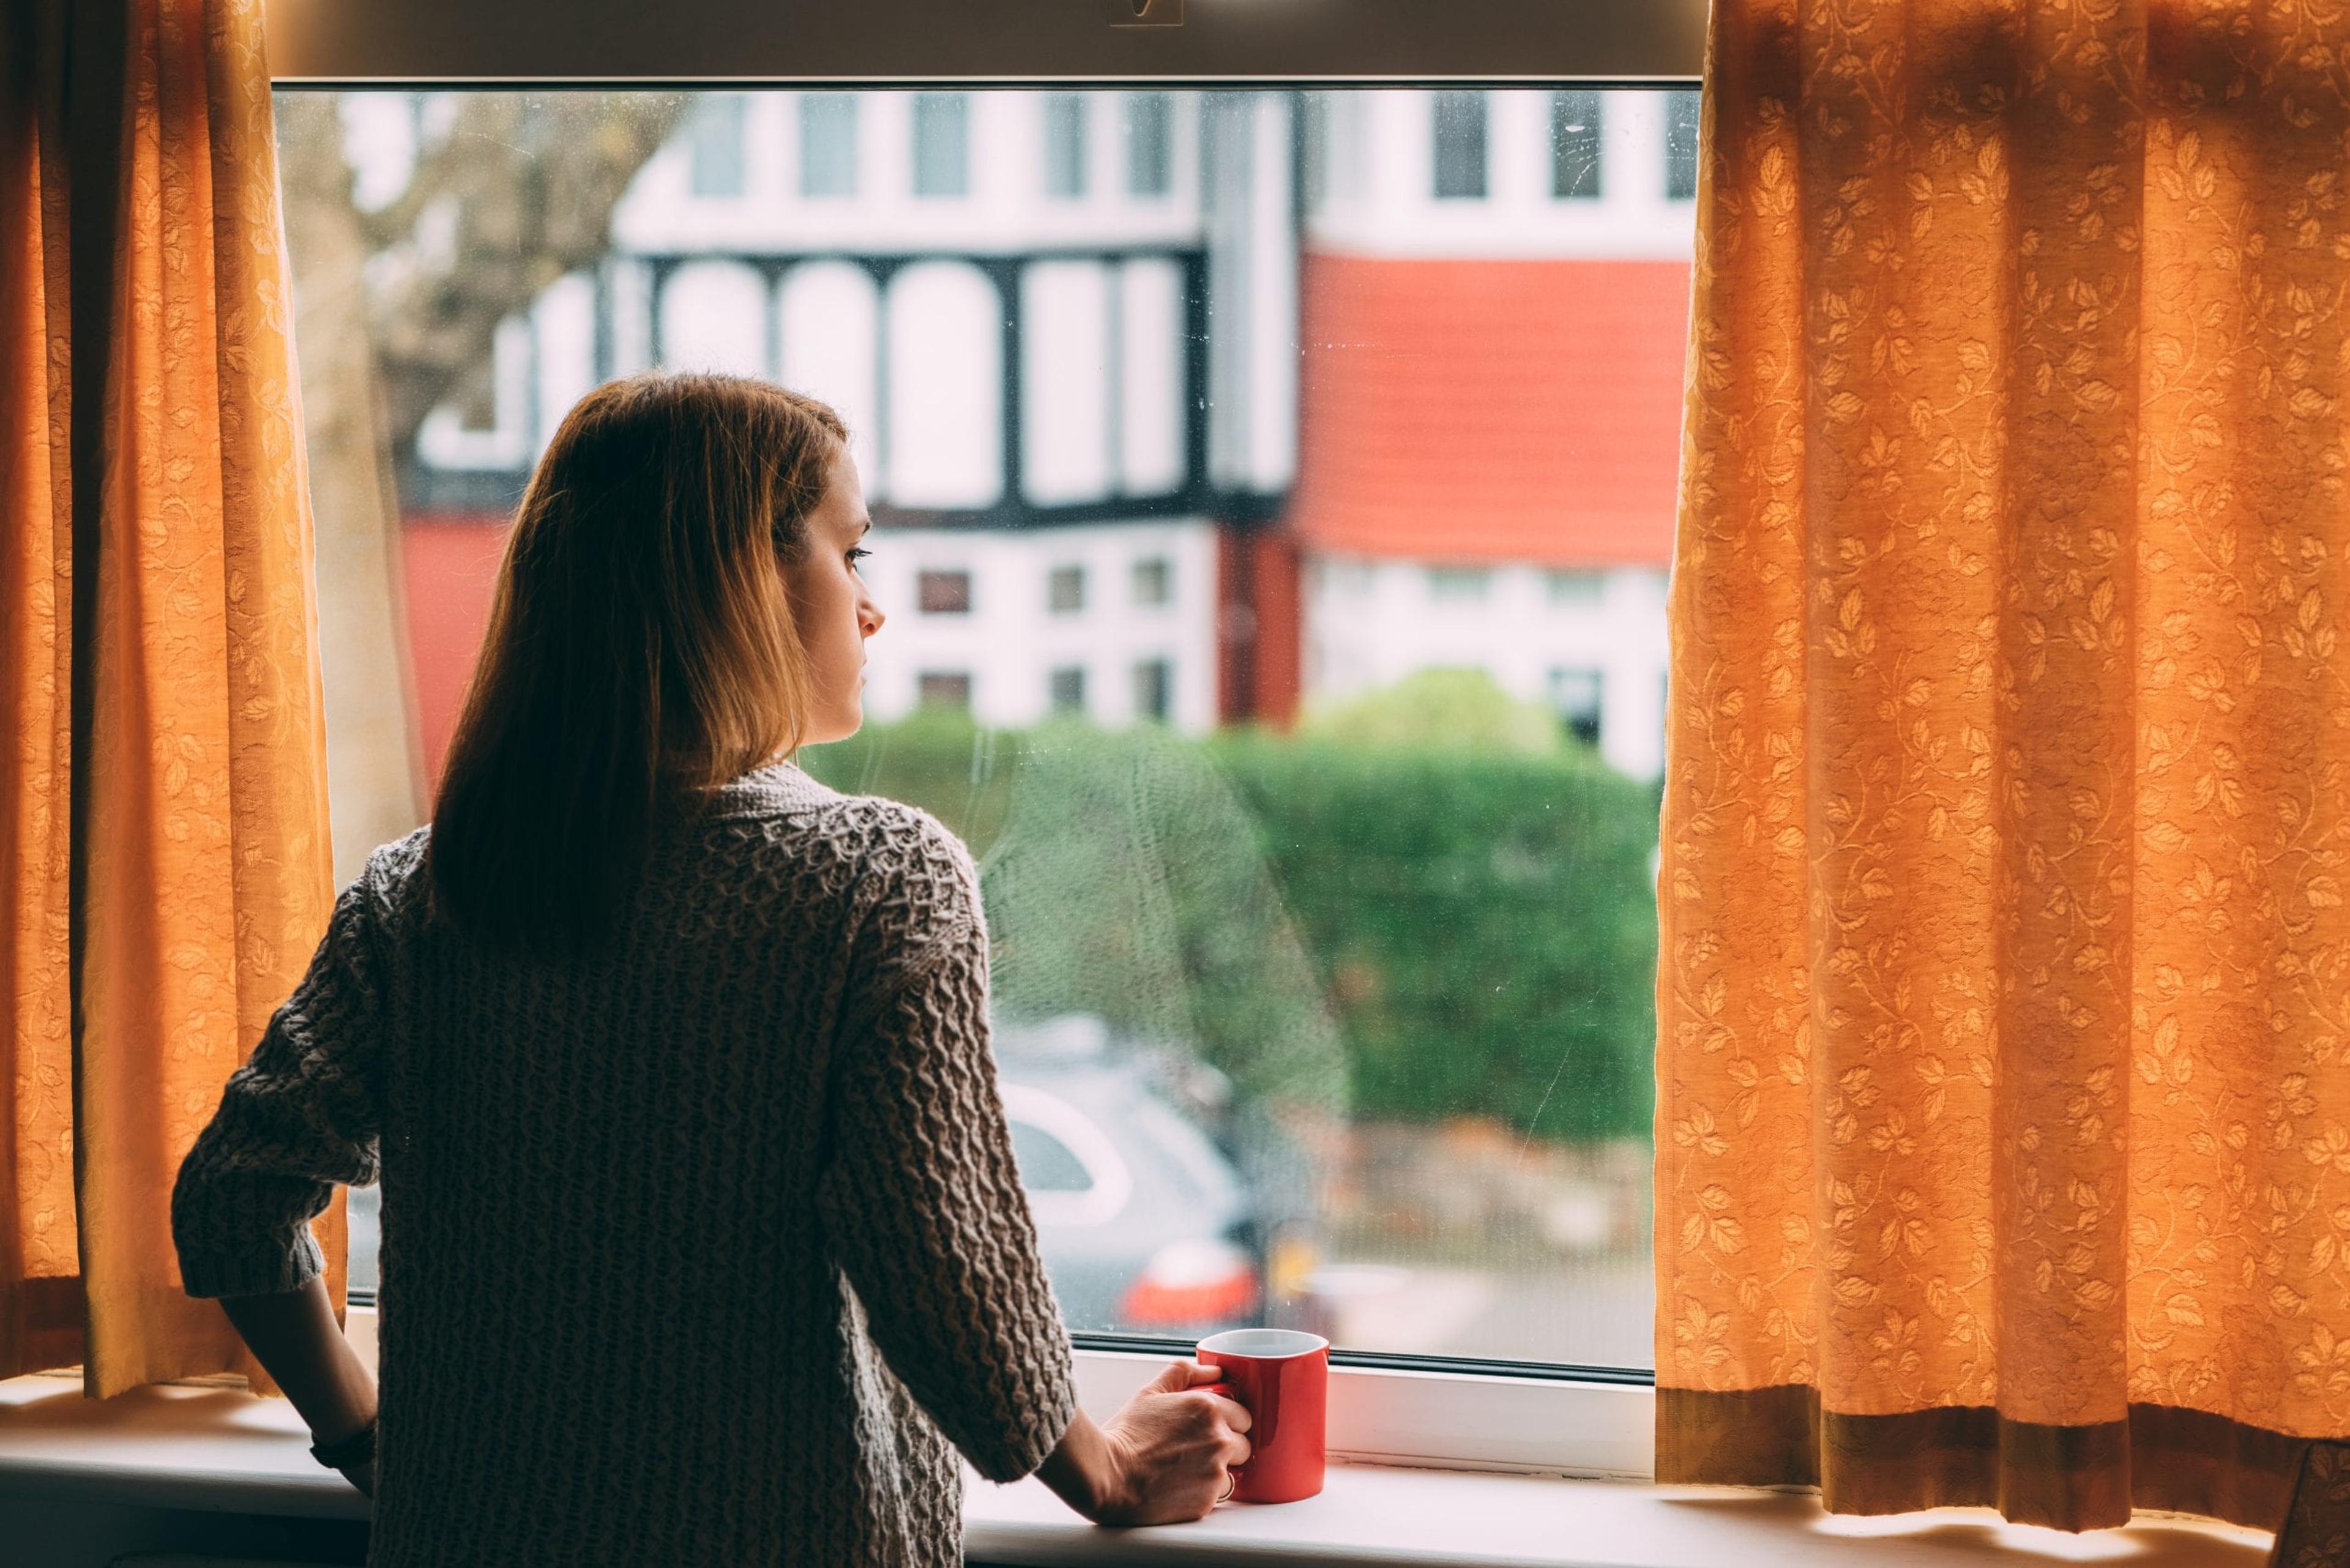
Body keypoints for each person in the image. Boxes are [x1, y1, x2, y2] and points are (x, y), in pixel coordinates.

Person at [169, 372, 1253, 1567]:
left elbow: (233, 1196)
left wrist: (373, 1443)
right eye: (854, 552)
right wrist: (1104, 1470)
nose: (873, 608)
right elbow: (946, 1263)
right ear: (743, 575)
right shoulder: (876, 881)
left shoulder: (424, 895)